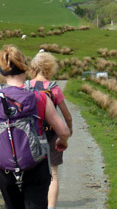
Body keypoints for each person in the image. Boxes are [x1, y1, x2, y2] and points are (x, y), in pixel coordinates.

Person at [0, 45, 70, 209]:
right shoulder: (38, 97)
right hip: (35, 165)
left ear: (3, 72)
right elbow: (63, 131)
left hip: (5, 169)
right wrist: (62, 142)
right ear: (25, 67)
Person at [29, 51, 73, 209]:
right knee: (53, 174)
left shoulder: (26, 87)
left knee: (30, 171)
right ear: (50, 67)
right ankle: (51, 207)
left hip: (31, 135)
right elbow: (67, 115)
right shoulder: (54, 89)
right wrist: (69, 129)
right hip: (53, 134)